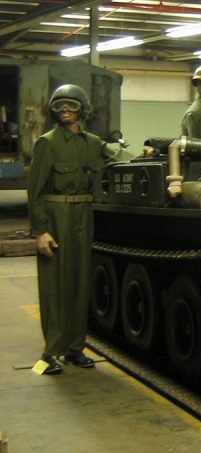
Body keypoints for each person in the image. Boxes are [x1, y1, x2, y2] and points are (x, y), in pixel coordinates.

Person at [27, 84, 108, 375]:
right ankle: (50, 352)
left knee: (79, 281)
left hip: (82, 215)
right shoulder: (47, 143)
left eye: (71, 106)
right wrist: (40, 230)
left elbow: (114, 161)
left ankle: (75, 347)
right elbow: (35, 190)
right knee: (54, 284)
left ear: (82, 110)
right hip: (56, 215)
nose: (65, 111)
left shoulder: (93, 143)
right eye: (60, 106)